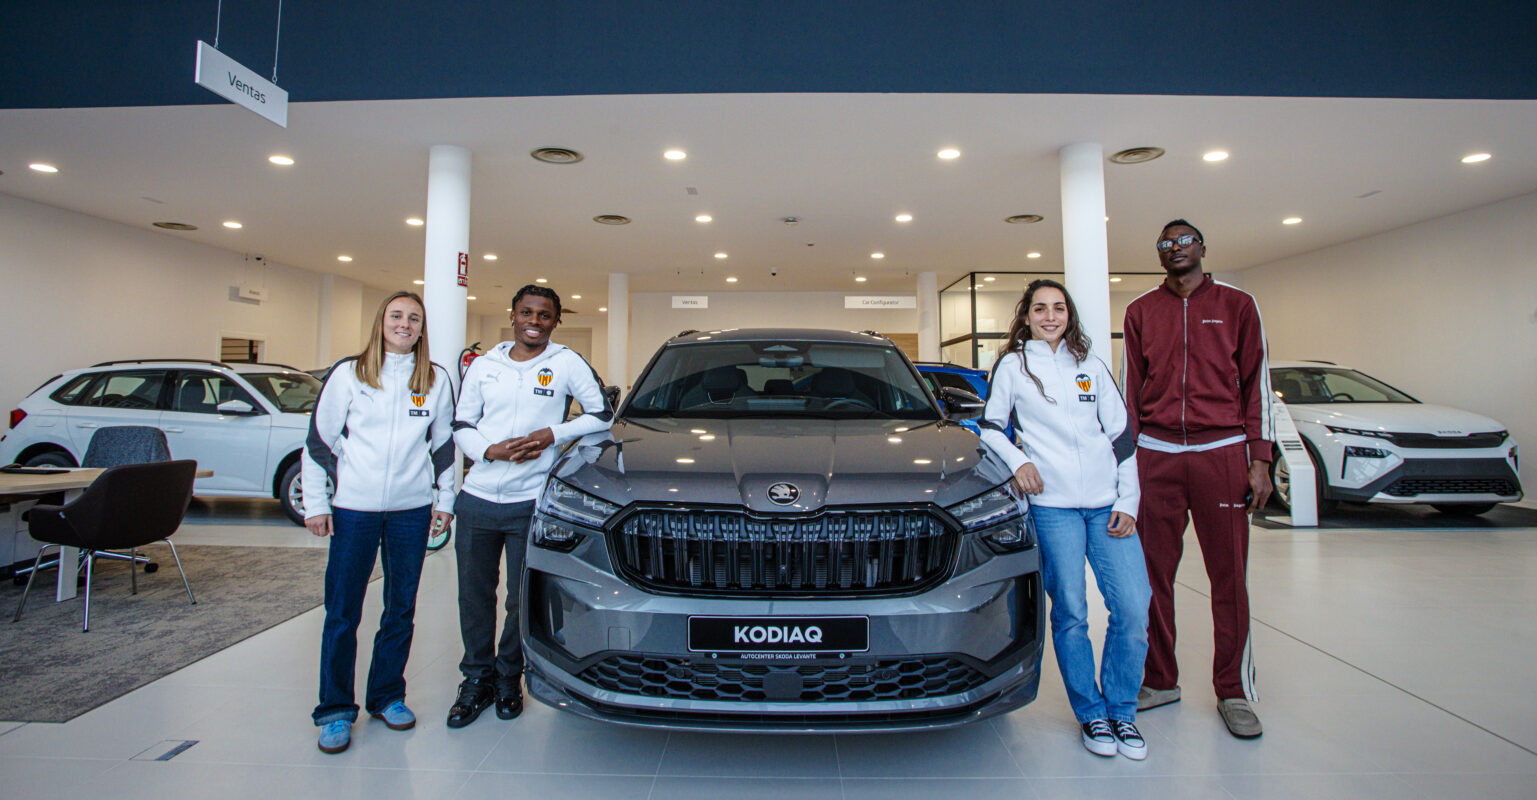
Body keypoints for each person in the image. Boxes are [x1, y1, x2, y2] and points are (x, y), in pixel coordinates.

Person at [980, 279, 1150, 760]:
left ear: (1069, 315)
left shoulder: (1091, 366)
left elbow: (1121, 438)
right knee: (1072, 610)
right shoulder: (1014, 366)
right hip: (1052, 507)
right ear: (1027, 316)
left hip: (1106, 505)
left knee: (1134, 609)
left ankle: (1123, 710)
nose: (1050, 316)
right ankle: (1092, 713)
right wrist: (1020, 463)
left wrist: (1128, 502)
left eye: (1058, 308)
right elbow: (991, 428)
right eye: (1040, 309)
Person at [1122, 219, 1274, 739]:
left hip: (1222, 451)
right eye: (1165, 243)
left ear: (1203, 247)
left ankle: (1233, 690)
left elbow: (1257, 383)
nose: (1174, 248)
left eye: (1184, 240)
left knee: (1228, 577)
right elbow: (1132, 391)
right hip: (1157, 454)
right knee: (1150, 578)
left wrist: (1261, 458)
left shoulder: (1238, 305)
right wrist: (1129, 466)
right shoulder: (1141, 310)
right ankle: (1160, 679)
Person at [446, 284, 613, 727]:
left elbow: (602, 416)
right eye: (526, 313)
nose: (534, 322)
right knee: (474, 596)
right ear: (513, 315)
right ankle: (475, 680)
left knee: (521, 600)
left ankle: (507, 678)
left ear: (555, 321)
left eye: (544, 315)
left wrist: (550, 436)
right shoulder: (484, 365)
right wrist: (489, 452)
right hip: (478, 499)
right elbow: (461, 423)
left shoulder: (566, 363)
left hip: (530, 502)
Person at [303, 291, 457, 754]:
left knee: (400, 608)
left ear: (421, 327)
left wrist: (444, 500)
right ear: (381, 321)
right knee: (343, 610)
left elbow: (444, 448)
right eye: (397, 316)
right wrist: (317, 503)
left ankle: (387, 696)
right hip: (354, 509)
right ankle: (334, 710)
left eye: (414, 318)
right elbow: (318, 443)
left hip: (411, 511)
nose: (405, 324)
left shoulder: (433, 379)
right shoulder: (349, 374)